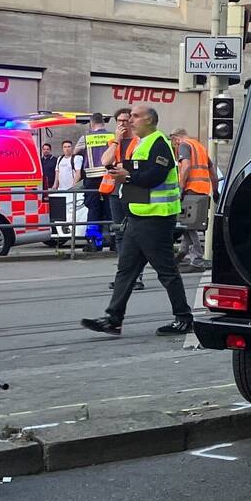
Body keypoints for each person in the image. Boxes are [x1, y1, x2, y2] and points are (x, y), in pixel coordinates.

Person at [80, 104, 193, 337]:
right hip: (138, 216)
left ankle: (183, 318)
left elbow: (154, 176)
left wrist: (128, 175)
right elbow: (116, 166)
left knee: (166, 270)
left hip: (156, 218)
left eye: (135, 116)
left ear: (149, 120)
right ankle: (113, 319)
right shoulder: (140, 143)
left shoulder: (159, 142)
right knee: (126, 269)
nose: (130, 120)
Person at [98, 108, 145, 290]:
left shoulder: (139, 141)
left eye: (126, 120)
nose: (122, 123)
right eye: (119, 120)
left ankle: (137, 277)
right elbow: (105, 161)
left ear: (132, 121)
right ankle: (123, 276)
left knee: (135, 234)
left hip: (133, 191)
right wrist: (116, 140)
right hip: (114, 191)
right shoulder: (113, 141)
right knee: (119, 233)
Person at [171, 128, 215, 272]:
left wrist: (181, 187)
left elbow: (186, 166)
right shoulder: (200, 147)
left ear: (176, 138)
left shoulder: (184, 145)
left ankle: (197, 259)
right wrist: (215, 189)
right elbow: (212, 169)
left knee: (189, 224)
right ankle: (182, 253)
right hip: (203, 189)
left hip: (191, 189)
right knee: (190, 224)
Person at [74, 113, 114, 251]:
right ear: (103, 122)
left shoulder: (86, 138)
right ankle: (115, 240)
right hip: (109, 176)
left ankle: (94, 242)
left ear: (91, 123)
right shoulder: (112, 136)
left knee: (93, 209)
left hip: (91, 178)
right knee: (111, 207)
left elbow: (76, 152)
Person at [51, 139, 84, 247]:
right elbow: (57, 173)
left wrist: (73, 187)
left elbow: (78, 173)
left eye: (69, 146)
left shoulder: (76, 158)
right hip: (61, 190)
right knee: (61, 215)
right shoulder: (60, 159)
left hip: (71, 191)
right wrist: (55, 186)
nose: (67, 149)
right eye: (65, 147)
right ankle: (59, 233)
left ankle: (70, 233)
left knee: (71, 213)